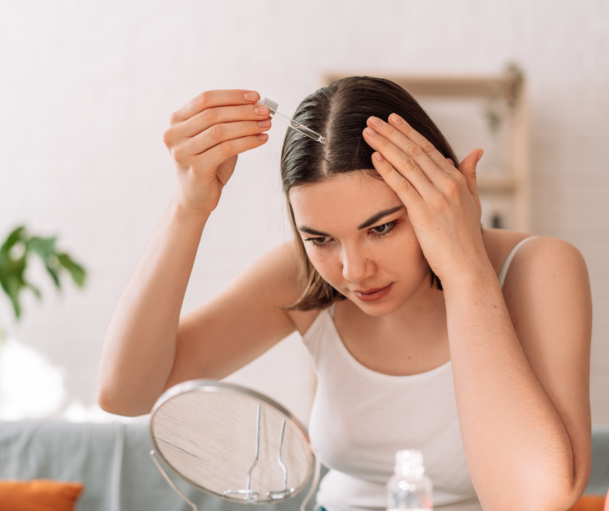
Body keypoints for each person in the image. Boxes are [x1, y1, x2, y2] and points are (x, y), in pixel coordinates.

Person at [98, 77, 592, 511]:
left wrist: (464, 269)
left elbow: (534, 501)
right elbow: (128, 393)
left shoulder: (537, 269)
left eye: (382, 228)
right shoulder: (302, 279)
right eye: (320, 239)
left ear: (440, 190)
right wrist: (190, 206)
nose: (354, 272)